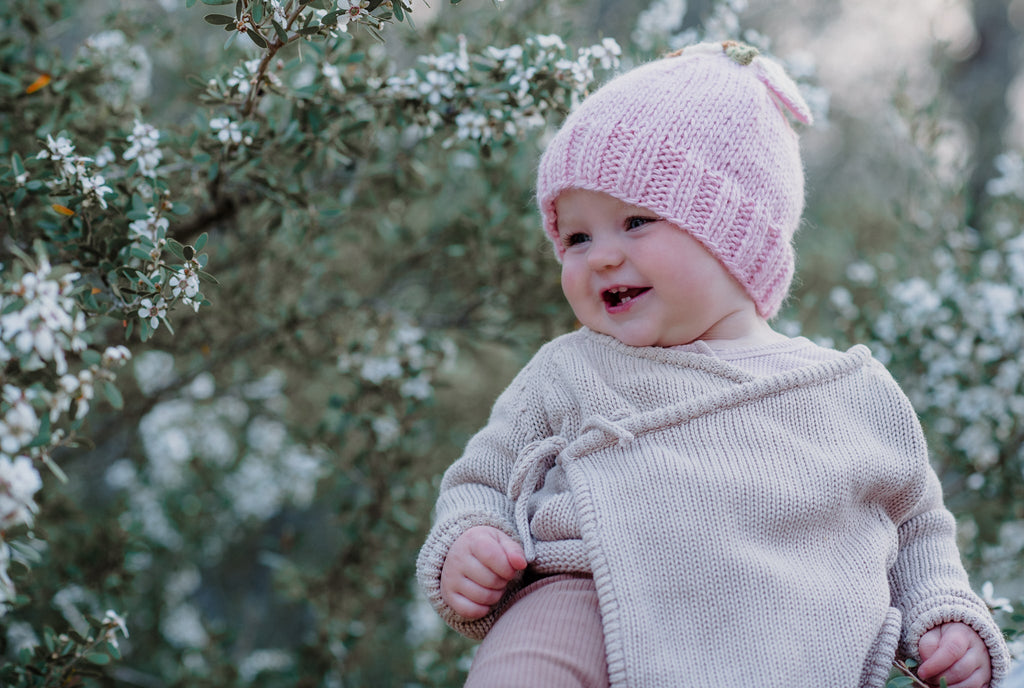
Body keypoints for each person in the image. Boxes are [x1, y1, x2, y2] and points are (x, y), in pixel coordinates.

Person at [416, 41, 1011, 688]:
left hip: (783, 643)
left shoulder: (847, 391)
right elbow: (480, 480)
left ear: (736, 235)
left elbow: (918, 524)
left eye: (635, 221)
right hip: (588, 602)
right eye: (577, 236)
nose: (600, 257)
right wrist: (469, 542)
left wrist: (944, 613)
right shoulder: (570, 369)